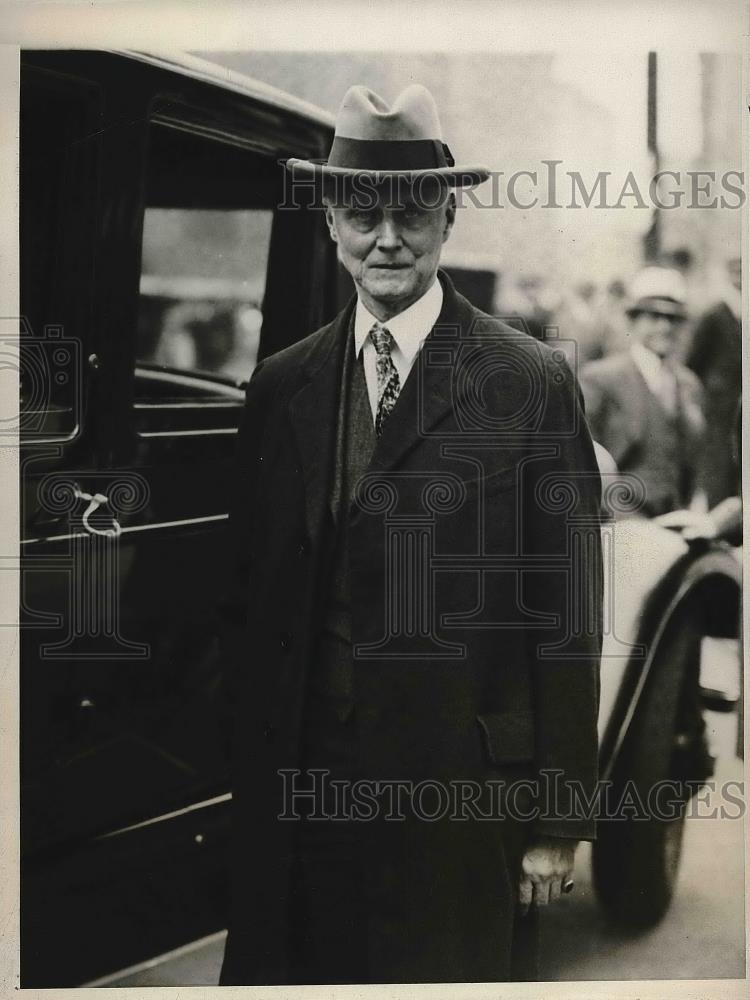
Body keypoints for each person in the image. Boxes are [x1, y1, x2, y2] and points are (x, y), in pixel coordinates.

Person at [219, 84, 602, 986]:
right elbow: (244, 597)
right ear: (329, 223)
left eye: (412, 212)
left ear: (449, 217)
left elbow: (568, 618)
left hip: (458, 802)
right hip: (302, 792)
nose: (387, 238)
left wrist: (556, 820)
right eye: (362, 214)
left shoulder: (531, 381)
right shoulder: (283, 385)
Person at [580, 267, 705, 519]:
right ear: (633, 320)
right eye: (654, 317)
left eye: (673, 319)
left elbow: (692, 468)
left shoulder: (688, 384)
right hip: (619, 521)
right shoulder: (601, 379)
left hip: (674, 518)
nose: (664, 327)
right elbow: (584, 468)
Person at [686, 255, 742, 507]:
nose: (742, 277)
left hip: (741, 401)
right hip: (720, 404)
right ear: (729, 275)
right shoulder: (714, 314)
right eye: (737, 271)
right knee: (719, 462)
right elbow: (695, 360)